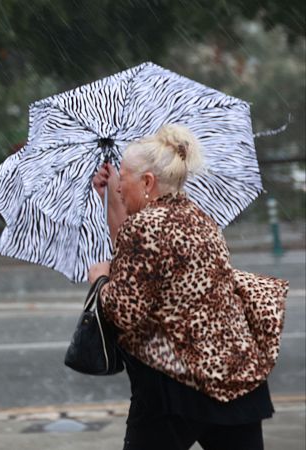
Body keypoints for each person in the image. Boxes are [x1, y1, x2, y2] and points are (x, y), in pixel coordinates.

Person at [88, 124, 288, 450]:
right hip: (234, 376)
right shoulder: (199, 218)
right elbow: (131, 253)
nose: (120, 186)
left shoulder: (145, 226)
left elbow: (124, 312)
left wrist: (100, 280)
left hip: (176, 383)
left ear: (148, 182)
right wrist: (111, 196)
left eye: (123, 178)